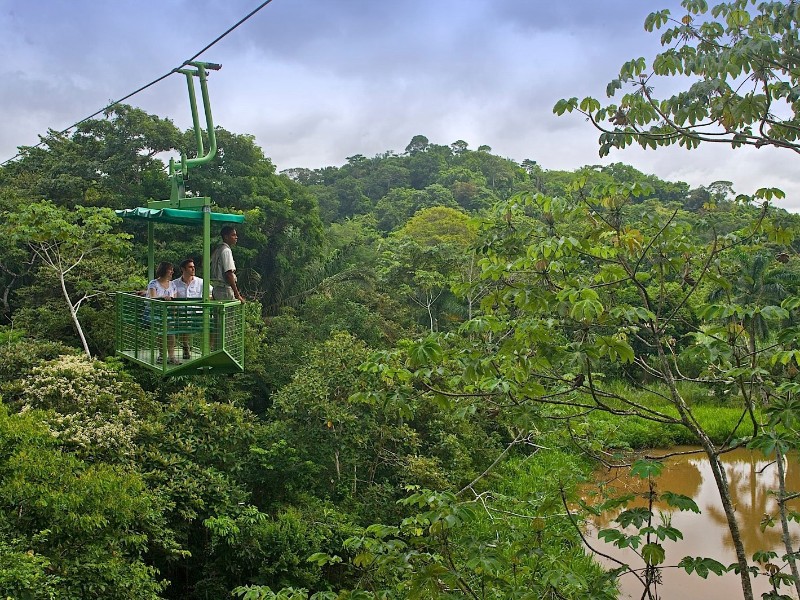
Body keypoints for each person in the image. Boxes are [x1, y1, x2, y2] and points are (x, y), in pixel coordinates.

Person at [172, 258, 208, 360]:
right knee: (184, 321)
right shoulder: (174, 283)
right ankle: (185, 346)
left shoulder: (201, 282)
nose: (193, 269)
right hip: (181, 314)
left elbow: (211, 293)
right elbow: (164, 290)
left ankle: (207, 351)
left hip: (198, 314)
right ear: (183, 269)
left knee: (212, 324)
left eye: (193, 267)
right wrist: (146, 292)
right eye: (190, 267)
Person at [147, 261, 179, 364]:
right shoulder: (153, 283)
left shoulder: (172, 284)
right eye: (170, 270)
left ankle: (171, 356)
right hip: (156, 313)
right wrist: (163, 298)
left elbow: (175, 300)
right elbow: (153, 298)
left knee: (170, 330)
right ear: (164, 270)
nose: (172, 272)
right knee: (162, 328)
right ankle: (162, 355)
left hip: (168, 314)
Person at [211, 226, 245, 303]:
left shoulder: (218, 249)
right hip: (225, 290)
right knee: (229, 310)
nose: (236, 237)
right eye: (233, 235)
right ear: (226, 237)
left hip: (216, 289)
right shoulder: (226, 250)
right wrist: (237, 295)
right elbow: (229, 274)